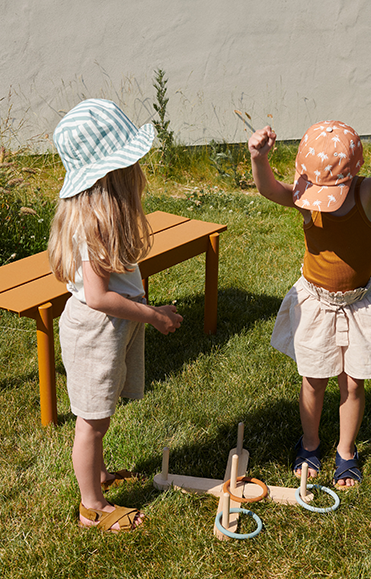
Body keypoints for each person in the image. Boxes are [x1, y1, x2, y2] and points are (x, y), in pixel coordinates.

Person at [248, 93, 371, 488]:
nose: (324, 203)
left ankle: (346, 450)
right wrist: (260, 160)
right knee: (313, 379)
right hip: (315, 303)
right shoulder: (305, 195)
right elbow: (269, 190)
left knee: (353, 381)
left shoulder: (366, 193)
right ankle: (309, 444)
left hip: (358, 305)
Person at [47, 99, 183, 531]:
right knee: (91, 421)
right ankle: (92, 506)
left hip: (111, 326)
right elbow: (100, 298)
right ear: (111, 177)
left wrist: (145, 311)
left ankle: (99, 475)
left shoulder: (101, 219)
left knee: (100, 414)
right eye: (130, 165)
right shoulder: (92, 227)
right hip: (95, 329)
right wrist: (152, 315)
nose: (138, 173)